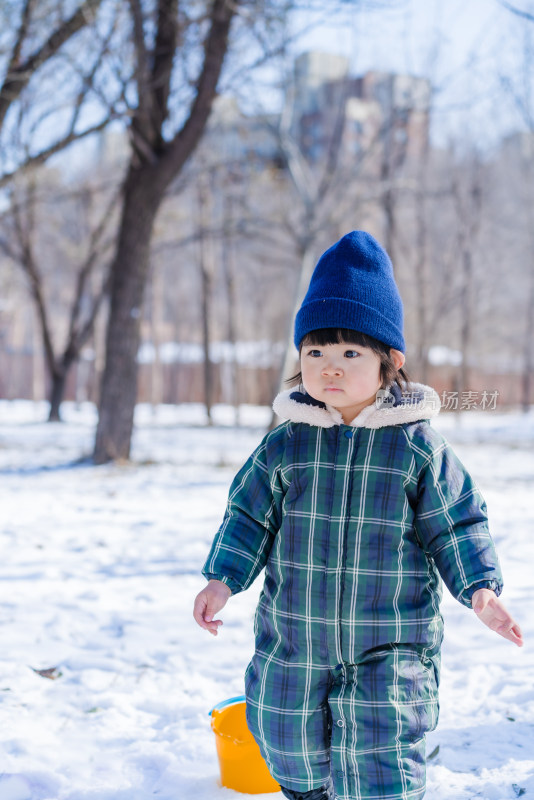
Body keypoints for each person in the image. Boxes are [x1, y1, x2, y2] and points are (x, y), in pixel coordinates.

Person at [193, 231, 523, 800]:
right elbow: (248, 515)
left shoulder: (416, 447)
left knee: (381, 758)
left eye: (350, 354)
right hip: (295, 635)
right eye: (315, 353)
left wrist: (480, 590)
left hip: (389, 641)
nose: (331, 369)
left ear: (389, 361)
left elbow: (457, 522)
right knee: (284, 739)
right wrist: (223, 579)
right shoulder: (286, 443)